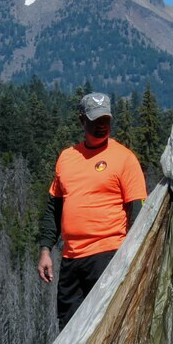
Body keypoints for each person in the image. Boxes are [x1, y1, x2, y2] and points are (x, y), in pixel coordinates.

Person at [37, 92, 147, 329]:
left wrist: (132, 258)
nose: (101, 127)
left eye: (105, 121)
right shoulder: (67, 158)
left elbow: (138, 213)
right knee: (69, 329)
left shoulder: (124, 158)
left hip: (108, 255)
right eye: (95, 121)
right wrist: (46, 249)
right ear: (81, 120)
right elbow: (53, 208)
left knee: (105, 328)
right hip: (71, 258)